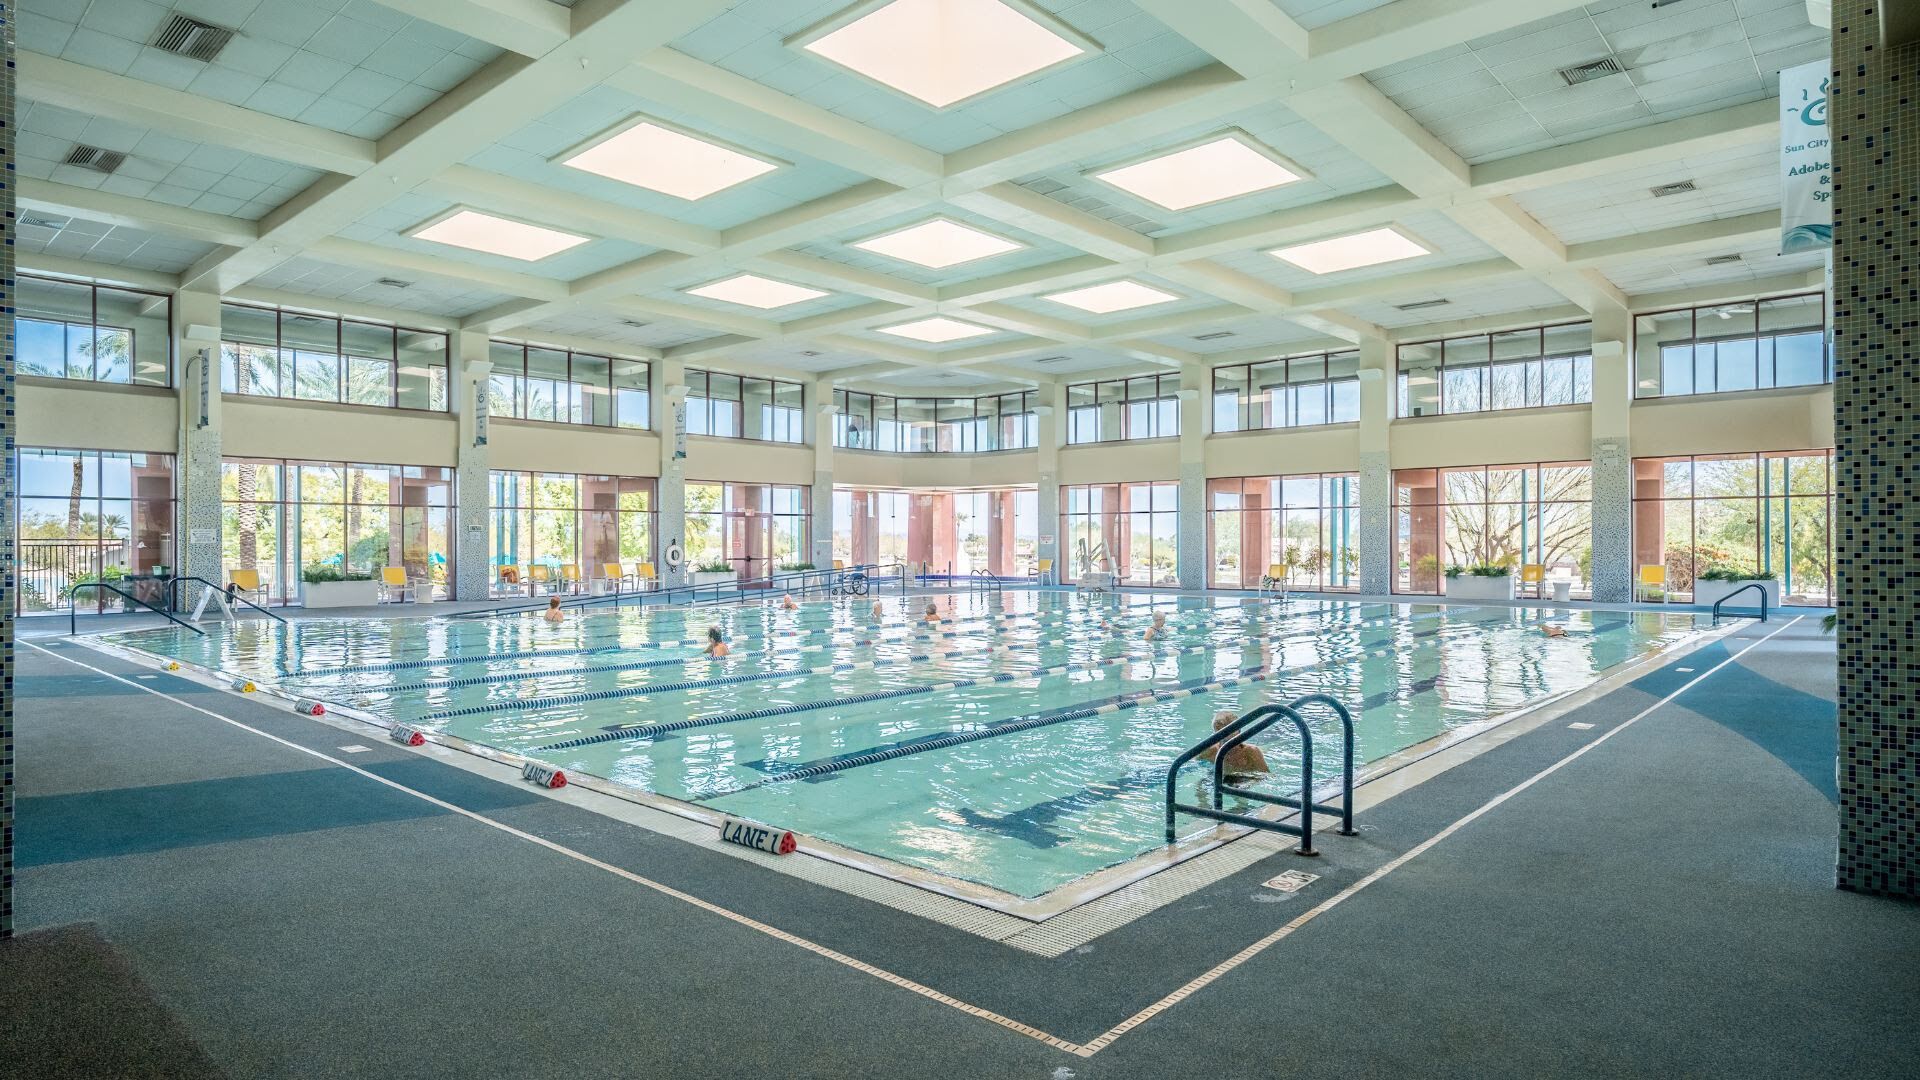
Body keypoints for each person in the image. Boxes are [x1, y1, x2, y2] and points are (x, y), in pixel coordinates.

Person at [1200, 709, 1269, 780]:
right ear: (1216, 735)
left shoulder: (1251, 752)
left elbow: (1266, 776)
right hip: (1217, 779)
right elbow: (1192, 766)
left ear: (1239, 731)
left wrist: (1249, 783)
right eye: (1224, 740)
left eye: (1233, 739)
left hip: (1243, 780)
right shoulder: (1210, 751)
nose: (1229, 745)